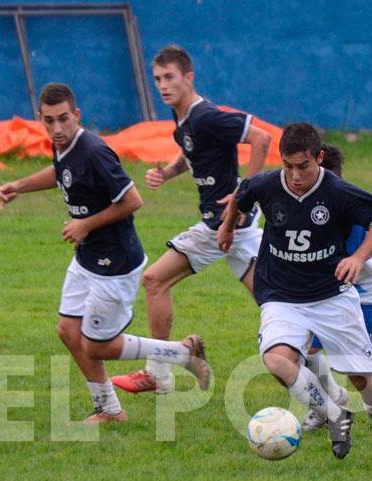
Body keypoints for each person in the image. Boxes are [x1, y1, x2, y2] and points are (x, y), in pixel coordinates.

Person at [0, 83, 211, 423]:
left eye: (63, 119)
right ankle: (109, 410)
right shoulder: (63, 146)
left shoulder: (94, 150)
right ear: (41, 119)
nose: (56, 129)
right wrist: (19, 186)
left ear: (76, 115)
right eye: (48, 121)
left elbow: (132, 200)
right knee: (68, 333)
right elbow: (61, 173)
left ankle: (181, 352)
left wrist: (85, 225)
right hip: (87, 258)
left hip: (115, 263)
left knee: (96, 345)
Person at [218, 123, 372, 463]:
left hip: (331, 296)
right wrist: (227, 226)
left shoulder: (337, 192)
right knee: (277, 359)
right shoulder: (268, 184)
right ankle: (335, 414)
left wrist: (357, 257)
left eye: (303, 166)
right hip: (281, 295)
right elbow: (244, 191)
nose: (295, 175)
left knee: (361, 376)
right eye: (288, 166)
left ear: (319, 158)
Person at [110, 45, 272, 394]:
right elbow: (192, 150)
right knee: (278, 303)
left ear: (188, 78)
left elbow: (262, 138)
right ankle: (351, 326)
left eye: (170, 77)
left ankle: (158, 372)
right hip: (230, 227)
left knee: (154, 280)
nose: (163, 85)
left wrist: (246, 191)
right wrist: (168, 172)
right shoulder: (184, 120)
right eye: (157, 79)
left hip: (223, 224)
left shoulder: (207, 116)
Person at [295, 144, 372, 435]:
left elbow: (340, 260)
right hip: (327, 290)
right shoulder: (304, 203)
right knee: (303, 351)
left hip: (366, 291)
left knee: (361, 370)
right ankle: (328, 406)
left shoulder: (349, 207)